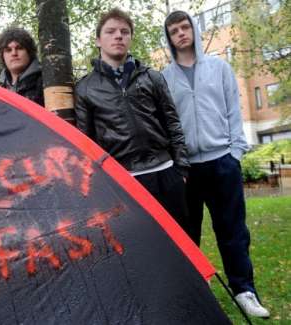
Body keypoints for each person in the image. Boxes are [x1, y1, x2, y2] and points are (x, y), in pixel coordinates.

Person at [162, 10, 269, 318]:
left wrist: (235, 153)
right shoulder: (165, 77)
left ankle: (244, 291)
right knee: (188, 232)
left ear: (193, 29)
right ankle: (195, 288)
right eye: (174, 31)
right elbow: (167, 124)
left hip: (223, 162)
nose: (181, 33)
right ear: (168, 38)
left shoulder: (220, 68)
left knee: (233, 231)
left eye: (185, 27)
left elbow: (234, 111)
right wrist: (176, 163)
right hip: (186, 170)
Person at [75, 8, 190, 233]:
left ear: (130, 38)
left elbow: (173, 124)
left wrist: (181, 171)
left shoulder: (152, 77)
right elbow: (86, 144)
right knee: (143, 248)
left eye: (124, 31)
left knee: (182, 243)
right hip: (124, 180)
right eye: (110, 32)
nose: (118, 36)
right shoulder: (85, 88)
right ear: (98, 40)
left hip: (166, 173)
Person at [0, 27, 44, 106]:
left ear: (29, 52)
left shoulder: (46, 82)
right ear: (3, 56)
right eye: (8, 50)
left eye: (19, 48)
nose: (14, 53)